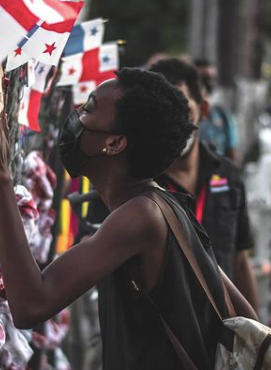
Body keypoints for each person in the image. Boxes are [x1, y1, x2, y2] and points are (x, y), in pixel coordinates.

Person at [0, 66, 258, 370]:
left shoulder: (140, 216)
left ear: (113, 143)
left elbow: (31, 304)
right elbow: (245, 313)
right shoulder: (165, 207)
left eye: (88, 109)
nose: (76, 115)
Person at [82, 58, 259, 312]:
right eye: (163, 116)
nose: (174, 125)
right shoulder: (124, 178)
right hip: (156, 333)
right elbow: (91, 252)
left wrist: (257, 338)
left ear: (204, 110)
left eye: (184, 113)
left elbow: (240, 260)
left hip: (223, 331)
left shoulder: (228, 176)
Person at [194, 58, 240, 163]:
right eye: (202, 79)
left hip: (215, 174)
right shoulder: (183, 113)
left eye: (209, 79)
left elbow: (231, 151)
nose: (207, 84)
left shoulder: (220, 114)